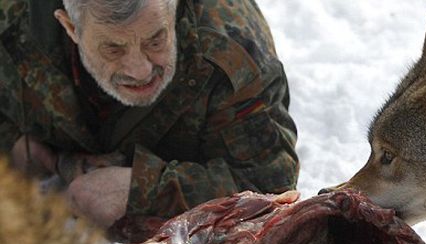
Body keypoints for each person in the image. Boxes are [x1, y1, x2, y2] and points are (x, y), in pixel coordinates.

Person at [0, 0, 299, 229]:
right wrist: (17, 141)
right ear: (70, 27)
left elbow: (271, 183)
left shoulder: (229, 51)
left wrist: (145, 189)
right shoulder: (12, 24)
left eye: (155, 40)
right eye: (113, 49)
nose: (140, 70)